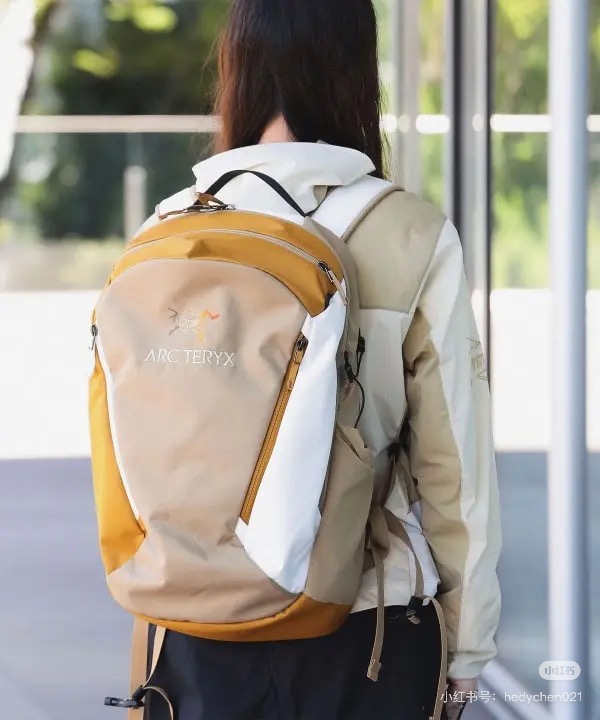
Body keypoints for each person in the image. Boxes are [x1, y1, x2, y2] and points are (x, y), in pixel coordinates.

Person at [142, 0, 501, 718]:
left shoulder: (169, 229)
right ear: (356, 74)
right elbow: (453, 467)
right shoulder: (409, 232)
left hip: (195, 629)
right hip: (366, 627)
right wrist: (467, 650)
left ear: (238, 70)